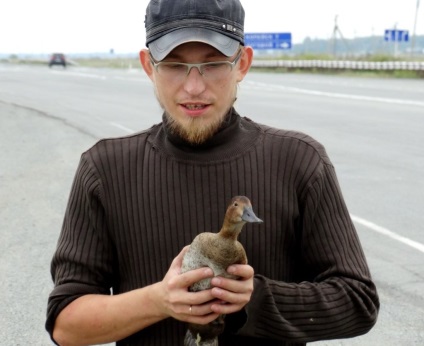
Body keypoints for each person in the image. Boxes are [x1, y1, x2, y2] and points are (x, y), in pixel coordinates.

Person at [46, 0, 379, 345]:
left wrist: (254, 299)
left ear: (242, 64)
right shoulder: (104, 168)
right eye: (174, 65)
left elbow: (357, 301)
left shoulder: (299, 160)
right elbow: (67, 324)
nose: (193, 87)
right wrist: (159, 300)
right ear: (149, 66)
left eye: (214, 64)